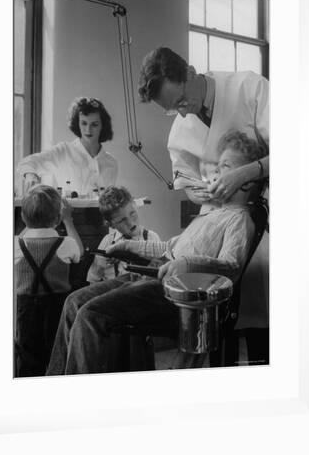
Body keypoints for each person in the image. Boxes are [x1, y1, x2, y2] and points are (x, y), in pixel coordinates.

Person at [45, 131, 266, 375]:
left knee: (91, 315)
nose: (215, 172)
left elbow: (231, 266)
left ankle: (80, 401)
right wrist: (128, 247)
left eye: (225, 167)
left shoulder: (239, 219)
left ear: (245, 180)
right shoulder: (212, 214)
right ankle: (54, 385)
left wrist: (186, 263)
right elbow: (168, 247)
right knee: (73, 302)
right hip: (150, 278)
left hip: (173, 294)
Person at [137, 47, 269, 207]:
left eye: (181, 100)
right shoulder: (179, 133)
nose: (183, 113)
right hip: (222, 214)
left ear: (190, 73)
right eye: (173, 109)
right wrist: (200, 194)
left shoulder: (250, 88)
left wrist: (244, 174)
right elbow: (187, 182)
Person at [14, 185, 83, 377]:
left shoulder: (15, 244)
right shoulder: (67, 244)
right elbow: (80, 253)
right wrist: (68, 221)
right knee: (58, 353)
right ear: (57, 219)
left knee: (28, 357)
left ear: (23, 218)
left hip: (25, 309)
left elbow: (24, 235)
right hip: (58, 309)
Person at [16, 97, 118, 197]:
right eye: (84, 123)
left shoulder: (111, 163)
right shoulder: (63, 151)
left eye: (94, 124)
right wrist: (30, 175)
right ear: (77, 123)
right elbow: (26, 163)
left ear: (102, 126)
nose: (88, 129)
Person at [86, 186, 161, 282]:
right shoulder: (107, 242)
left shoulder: (151, 238)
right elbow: (93, 279)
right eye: (122, 220)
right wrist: (103, 263)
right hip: (114, 291)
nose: (130, 223)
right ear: (111, 225)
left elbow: (159, 273)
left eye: (132, 213)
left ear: (135, 206)